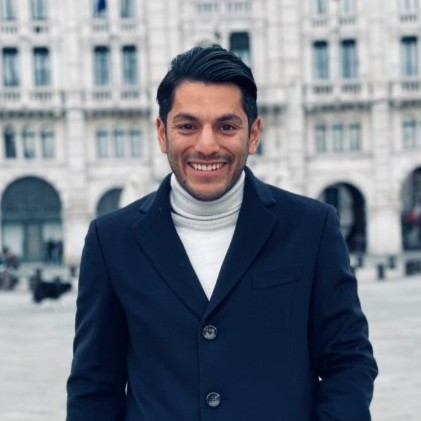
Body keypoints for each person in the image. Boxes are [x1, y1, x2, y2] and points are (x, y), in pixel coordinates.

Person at [67, 45, 377, 420]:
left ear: (253, 134)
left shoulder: (312, 227)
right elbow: (94, 387)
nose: (207, 145)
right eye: (187, 126)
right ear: (162, 134)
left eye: (226, 126)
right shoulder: (111, 240)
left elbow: (348, 361)